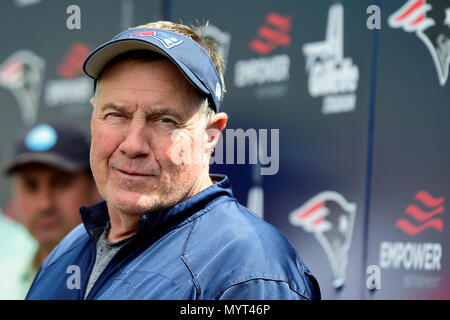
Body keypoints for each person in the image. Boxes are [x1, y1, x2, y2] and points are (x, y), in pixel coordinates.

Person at [26, 21, 321, 300]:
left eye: (164, 120)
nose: (133, 145)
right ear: (93, 117)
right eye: (116, 115)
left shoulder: (250, 270)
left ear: (210, 135)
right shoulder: (69, 249)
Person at [0, 122, 100, 299]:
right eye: (31, 186)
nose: (45, 204)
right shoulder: (4, 278)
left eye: (60, 183)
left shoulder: (125, 278)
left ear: (95, 187)